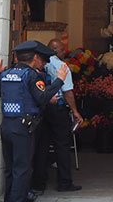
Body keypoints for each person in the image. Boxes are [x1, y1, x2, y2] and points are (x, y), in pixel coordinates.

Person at [0, 41, 68, 202]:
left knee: (10, 170)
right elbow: (42, 98)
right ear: (34, 59)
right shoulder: (32, 75)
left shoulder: (7, 74)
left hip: (7, 126)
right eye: (41, 60)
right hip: (23, 128)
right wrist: (59, 80)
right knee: (22, 170)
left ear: (16, 58)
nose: (43, 63)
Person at [31, 38, 84, 193]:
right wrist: (75, 111)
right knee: (62, 145)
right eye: (62, 50)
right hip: (58, 109)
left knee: (42, 146)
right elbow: (67, 92)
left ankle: (38, 184)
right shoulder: (62, 66)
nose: (64, 52)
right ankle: (64, 182)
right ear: (56, 50)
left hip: (41, 108)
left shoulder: (40, 65)